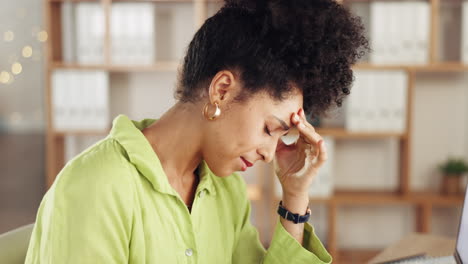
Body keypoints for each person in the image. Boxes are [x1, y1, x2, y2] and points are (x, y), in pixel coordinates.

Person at [25, 0, 370, 263]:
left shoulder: (226, 190)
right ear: (222, 90)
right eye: (270, 128)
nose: (270, 153)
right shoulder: (96, 186)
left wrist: (294, 197)